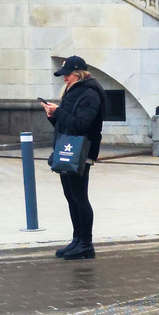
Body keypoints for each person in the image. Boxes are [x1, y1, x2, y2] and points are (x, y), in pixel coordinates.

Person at [43, 56, 105, 260]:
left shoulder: (89, 93)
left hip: (81, 151)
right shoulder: (73, 92)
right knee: (71, 197)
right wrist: (53, 116)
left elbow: (81, 125)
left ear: (78, 73)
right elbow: (67, 125)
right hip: (68, 149)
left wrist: (59, 112)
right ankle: (77, 240)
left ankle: (86, 243)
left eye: (67, 75)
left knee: (79, 198)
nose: (64, 79)